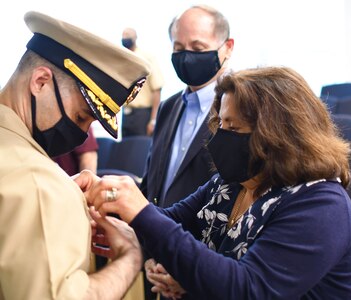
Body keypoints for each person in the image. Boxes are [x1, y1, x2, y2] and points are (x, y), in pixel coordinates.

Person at [75, 66, 351, 299]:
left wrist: (142, 213)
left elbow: (249, 288)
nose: (219, 137)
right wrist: (111, 204)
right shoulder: (231, 183)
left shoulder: (322, 205)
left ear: (279, 134)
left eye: (233, 128)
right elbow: (172, 221)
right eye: (220, 124)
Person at [0, 10, 150, 299]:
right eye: (82, 116)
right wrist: (129, 259)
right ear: (40, 82)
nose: (82, 133)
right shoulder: (37, 182)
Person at [140, 5, 234, 209]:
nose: (187, 56)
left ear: (228, 47)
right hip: (155, 234)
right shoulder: (167, 108)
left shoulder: (243, 110)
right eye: (179, 49)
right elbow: (150, 185)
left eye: (198, 48)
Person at [121, 27, 164, 137]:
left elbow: (157, 89)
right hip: (126, 114)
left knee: (141, 149)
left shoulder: (146, 58)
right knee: (125, 149)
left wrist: (153, 120)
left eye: (128, 35)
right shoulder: (122, 58)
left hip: (142, 115)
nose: (125, 38)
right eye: (123, 35)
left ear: (135, 37)